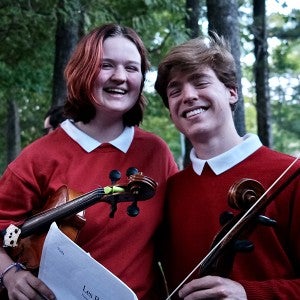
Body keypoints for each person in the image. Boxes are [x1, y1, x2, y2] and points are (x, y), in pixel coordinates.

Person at [0, 23, 178, 300]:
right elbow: (3, 229)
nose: (120, 77)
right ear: (83, 71)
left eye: (132, 68)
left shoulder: (156, 152)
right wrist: (10, 273)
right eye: (106, 65)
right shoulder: (39, 157)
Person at [154, 33, 300, 299]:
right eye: (175, 90)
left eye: (200, 82)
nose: (187, 96)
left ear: (232, 92)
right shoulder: (172, 189)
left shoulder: (291, 175)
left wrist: (250, 294)